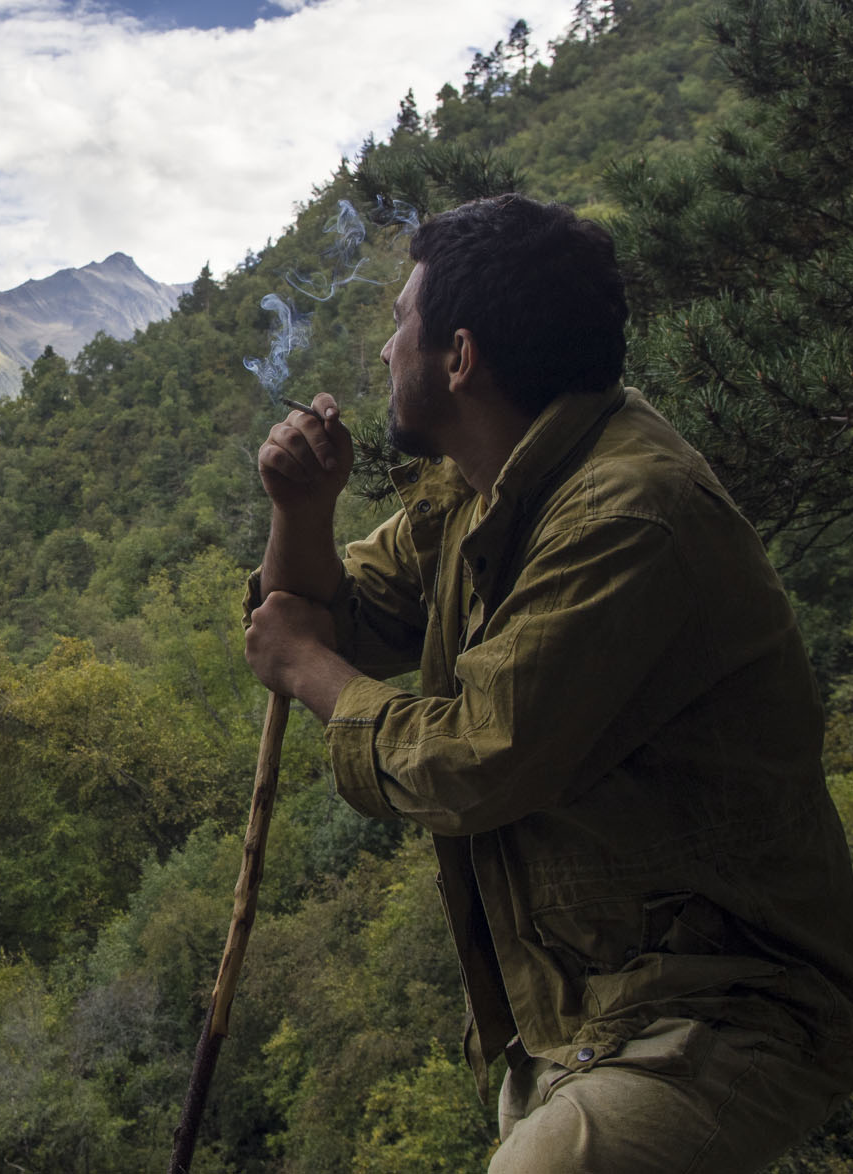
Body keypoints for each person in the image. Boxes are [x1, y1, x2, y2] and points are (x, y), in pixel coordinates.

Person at [242, 193, 853, 1172]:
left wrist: (309, 672)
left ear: (459, 356)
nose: (384, 351)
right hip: (585, 1017)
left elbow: (476, 759)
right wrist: (299, 512)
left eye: (400, 322)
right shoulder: (478, 484)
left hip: (725, 1004)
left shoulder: (623, 517)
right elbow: (332, 611)